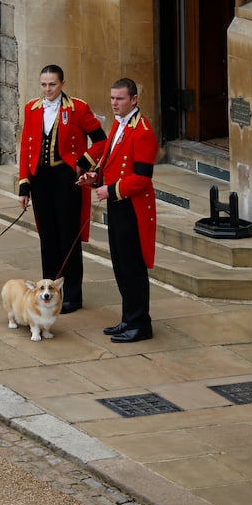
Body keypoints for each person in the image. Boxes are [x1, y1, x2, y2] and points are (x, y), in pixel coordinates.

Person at [18, 64, 107, 314]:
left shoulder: (77, 108)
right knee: (47, 237)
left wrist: (83, 162)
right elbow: (26, 147)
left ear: (62, 84)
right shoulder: (31, 108)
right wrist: (24, 185)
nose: (47, 89)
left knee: (68, 237)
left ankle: (74, 295)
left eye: (52, 84)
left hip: (66, 178)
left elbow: (101, 140)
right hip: (41, 180)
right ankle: (49, 292)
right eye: (44, 84)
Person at [77, 78, 158, 343]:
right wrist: (94, 179)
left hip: (133, 208)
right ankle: (128, 318)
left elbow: (143, 177)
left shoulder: (143, 130)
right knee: (120, 265)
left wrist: (111, 190)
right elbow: (109, 164)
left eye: (120, 99)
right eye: (112, 98)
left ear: (134, 99)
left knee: (133, 266)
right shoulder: (118, 125)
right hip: (118, 205)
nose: (114, 103)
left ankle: (140, 324)